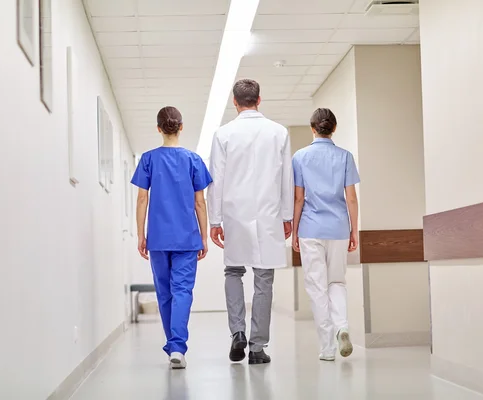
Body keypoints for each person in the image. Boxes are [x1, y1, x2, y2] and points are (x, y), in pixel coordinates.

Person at [207, 79, 294, 365]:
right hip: (269, 212)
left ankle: (237, 333)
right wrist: (287, 215)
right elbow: (286, 179)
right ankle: (257, 348)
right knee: (264, 279)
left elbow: (216, 180)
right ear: (260, 99)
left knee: (233, 271)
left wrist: (215, 219)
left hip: (234, 213)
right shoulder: (279, 133)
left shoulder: (224, 134)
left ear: (235, 101)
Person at [132, 106, 212, 369]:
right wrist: (204, 237)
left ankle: (174, 348)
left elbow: (142, 198)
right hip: (187, 238)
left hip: (157, 238)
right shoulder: (193, 160)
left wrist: (141, 234)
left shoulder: (148, 159)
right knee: (183, 291)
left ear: (158, 128)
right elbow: (200, 203)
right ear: (181, 127)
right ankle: (177, 347)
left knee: (164, 293)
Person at [291, 108, 360, 361]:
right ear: (334, 129)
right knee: (337, 282)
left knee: (316, 287)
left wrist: (295, 232)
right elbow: (351, 197)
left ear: (312, 128)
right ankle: (342, 326)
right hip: (339, 228)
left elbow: (298, 198)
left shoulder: (300, 157)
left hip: (310, 228)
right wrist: (354, 230)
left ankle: (327, 348)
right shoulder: (344, 157)